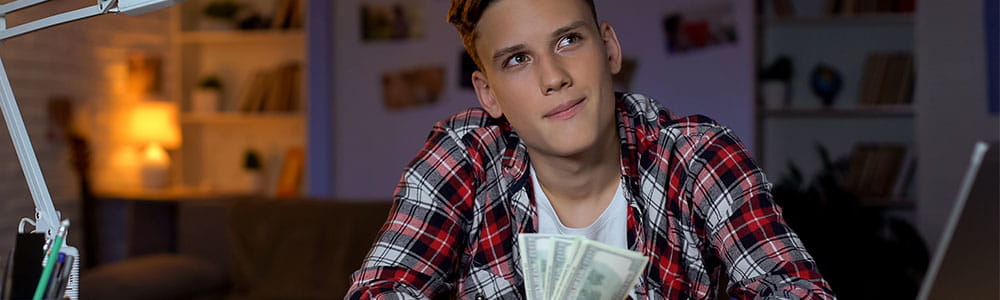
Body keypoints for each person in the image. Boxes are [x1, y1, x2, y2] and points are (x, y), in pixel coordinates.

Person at [347, 0, 835, 299]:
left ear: (609, 48)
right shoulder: (465, 155)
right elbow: (382, 290)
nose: (553, 77)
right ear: (487, 93)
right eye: (517, 59)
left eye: (568, 40)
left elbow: (795, 289)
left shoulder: (696, 153)